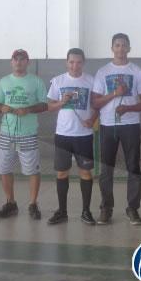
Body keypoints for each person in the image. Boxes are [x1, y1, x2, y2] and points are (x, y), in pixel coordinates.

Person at [92, 33, 141, 225]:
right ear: (112, 48)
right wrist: (114, 94)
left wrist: (128, 108)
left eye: (124, 45)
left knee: (133, 167)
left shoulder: (137, 71)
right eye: (117, 45)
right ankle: (106, 209)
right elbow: (95, 102)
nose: (120, 48)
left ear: (129, 48)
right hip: (108, 126)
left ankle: (132, 209)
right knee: (106, 169)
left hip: (130, 126)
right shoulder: (102, 72)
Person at [47, 48, 99, 225]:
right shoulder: (58, 81)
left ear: (83, 63)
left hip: (83, 135)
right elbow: (49, 106)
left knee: (85, 172)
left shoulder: (92, 81)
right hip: (63, 135)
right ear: (66, 62)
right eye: (71, 62)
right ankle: (62, 211)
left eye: (78, 62)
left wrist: (92, 119)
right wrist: (62, 102)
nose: (75, 65)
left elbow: (97, 106)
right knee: (62, 172)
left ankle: (86, 211)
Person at [0, 49, 47, 220]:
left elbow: (44, 105)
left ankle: (33, 204)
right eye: (15, 59)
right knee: (4, 169)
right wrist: (2, 107)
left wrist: (29, 109)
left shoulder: (36, 82)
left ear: (28, 62)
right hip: (6, 133)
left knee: (32, 170)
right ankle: (11, 203)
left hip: (28, 133)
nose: (19, 62)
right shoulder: (4, 82)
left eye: (22, 59)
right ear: (11, 62)